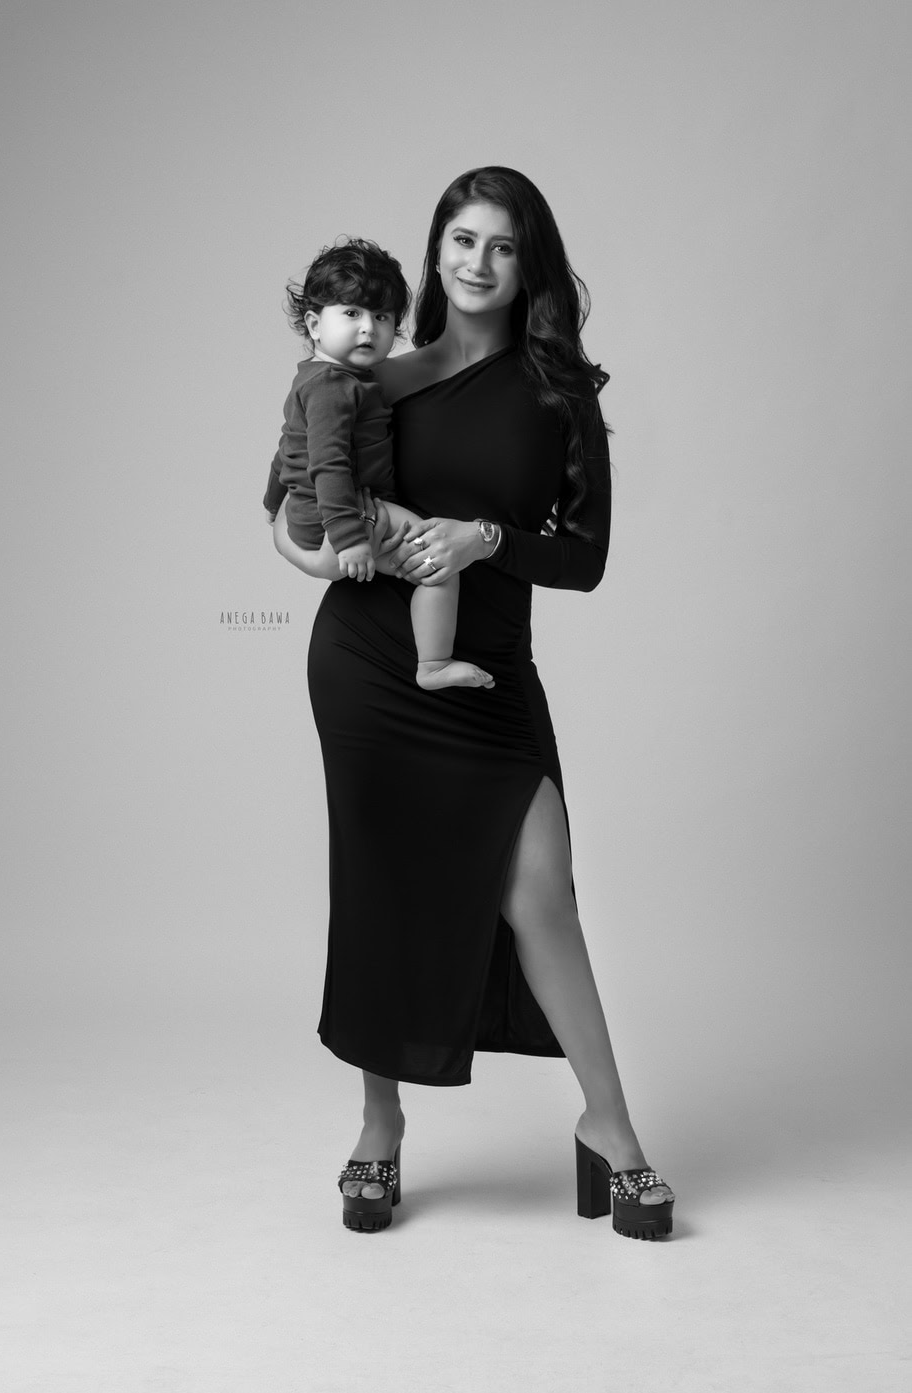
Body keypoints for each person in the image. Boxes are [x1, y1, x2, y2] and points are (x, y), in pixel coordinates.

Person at [271, 167, 675, 1241]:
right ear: (437, 250)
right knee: (380, 886)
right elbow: (288, 513)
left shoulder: (561, 395)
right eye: (460, 238)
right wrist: (322, 559)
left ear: (526, 259)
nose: (478, 261)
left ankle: (610, 1129)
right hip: (369, 670)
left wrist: (485, 537)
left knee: (541, 888)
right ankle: (379, 1126)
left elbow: (583, 559)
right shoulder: (376, 379)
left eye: (501, 244)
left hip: (488, 666)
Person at [265, 238, 492, 691]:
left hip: (326, 514)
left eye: (382, 317)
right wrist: (348, 539)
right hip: (345, 515)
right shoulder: (334, 387)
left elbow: (287, 449)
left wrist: (274, 503)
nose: (369, 328)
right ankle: (433, 664)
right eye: (351, 313)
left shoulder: (317, 380)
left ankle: (429, 661)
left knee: (415, 566)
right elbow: (327, 464)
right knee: (435, 560)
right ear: (314, 324)